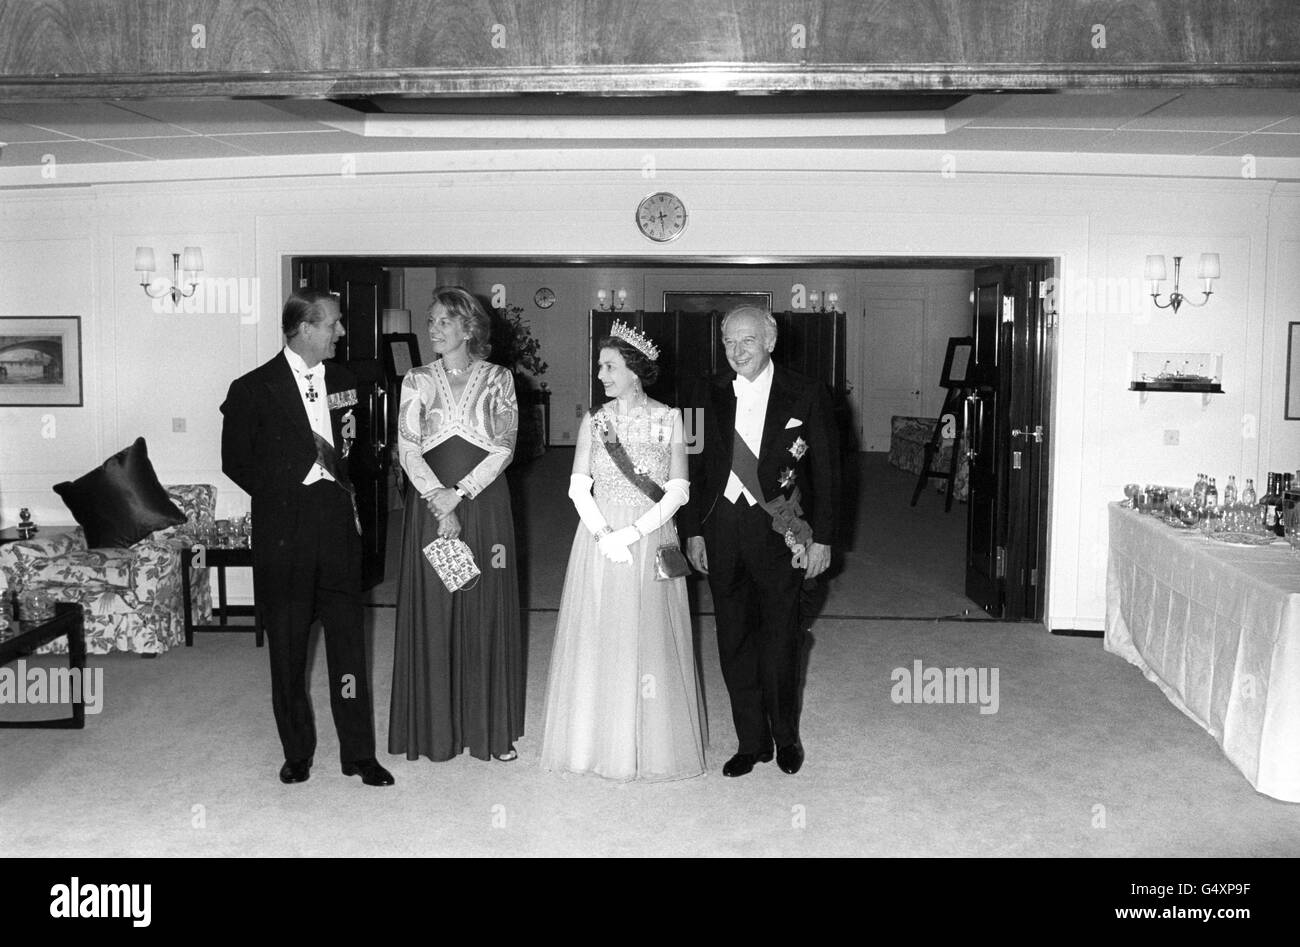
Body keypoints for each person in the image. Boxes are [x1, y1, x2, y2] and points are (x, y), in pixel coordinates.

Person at [220, 289, 393, 787]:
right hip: (285, 532)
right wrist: (297, 479)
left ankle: (359, 754)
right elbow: (236, 462)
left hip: (337, 527)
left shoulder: (345, 379)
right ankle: (297, 751)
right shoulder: (253, 387)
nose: (341, 332)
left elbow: (358, 445)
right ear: (306, 329)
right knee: (290, 650)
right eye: (334, 324)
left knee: (349, 648)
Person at [539, 322, 706, 781]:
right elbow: (577, 487)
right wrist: (603, 536)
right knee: (601, 630)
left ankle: (648, 743)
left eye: (609, 366)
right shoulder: (595, 420)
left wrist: (629, 535)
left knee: (649, 633)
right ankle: (592, 742)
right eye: (600, 367)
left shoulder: (672, 418)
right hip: (599, 537)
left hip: (650, 535)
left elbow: (678, 491)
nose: (601, 375)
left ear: (635, 370)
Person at [680, 305, 840, 777]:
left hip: (781, 532)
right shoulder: (701, 392)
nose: (737, 350)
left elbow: (828, 473)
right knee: (733, 639)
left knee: (781, 640)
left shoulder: (807, 393)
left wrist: (824, 540)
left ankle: (786, 737)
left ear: (770, 341)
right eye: (729, 341)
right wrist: (692, 530)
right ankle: (751, 741)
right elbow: (689, 468)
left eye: (747, 340)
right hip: (721, 530)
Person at [388, 287, 524, 763]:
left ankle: (489, 730)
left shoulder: (499, 378)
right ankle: (435, 731)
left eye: (444, 321)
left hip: (484, 504)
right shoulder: (416, 380)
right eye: (431, 321)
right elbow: (407, 448)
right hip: (431, 508)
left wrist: (460, 493)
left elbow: (505, 447)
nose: (433, 330)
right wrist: (438, 501)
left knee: (483, 606)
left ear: (469, 327)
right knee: (435, 607)